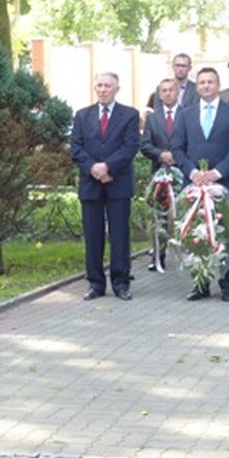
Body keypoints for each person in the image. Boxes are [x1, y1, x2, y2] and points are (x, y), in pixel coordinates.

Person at [171, 66, 229, 301]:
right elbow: (177, 148)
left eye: (210, 82)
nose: (206, 86)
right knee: (196, 234)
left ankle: (227, 284)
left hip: (223, 183)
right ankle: (200, 283)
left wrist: (217, 172)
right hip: (193, 185)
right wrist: (192, 172)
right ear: (197, 87)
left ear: (218, 85)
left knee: (225, 234)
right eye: (202, 82)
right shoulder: (185, 114)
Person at [71, 71, 140, 301]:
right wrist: (93, 168)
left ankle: (121, 283)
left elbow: (130, 147)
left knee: (119, 234)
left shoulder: (129, 115)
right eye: (99, 85)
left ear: (116, 89)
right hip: (91, 184)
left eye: (107, 86)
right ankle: (96, 283)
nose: (102, 90)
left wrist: (108, 167)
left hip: (118, 182)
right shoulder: (82, 115)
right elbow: (76, 148)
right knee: (93, 235)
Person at [141, 78, 182, 272]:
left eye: (171, 90)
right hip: (159, 173)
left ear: (178, 92)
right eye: (163, 90)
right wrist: (160, 155)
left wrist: (177, 157)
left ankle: (186, 254)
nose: (167, 93)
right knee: (159, 217)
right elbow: (145, 145)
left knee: (183, 214)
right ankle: (158, 256)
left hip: (182, 171)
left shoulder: (188, 114)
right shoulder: (153, 118)